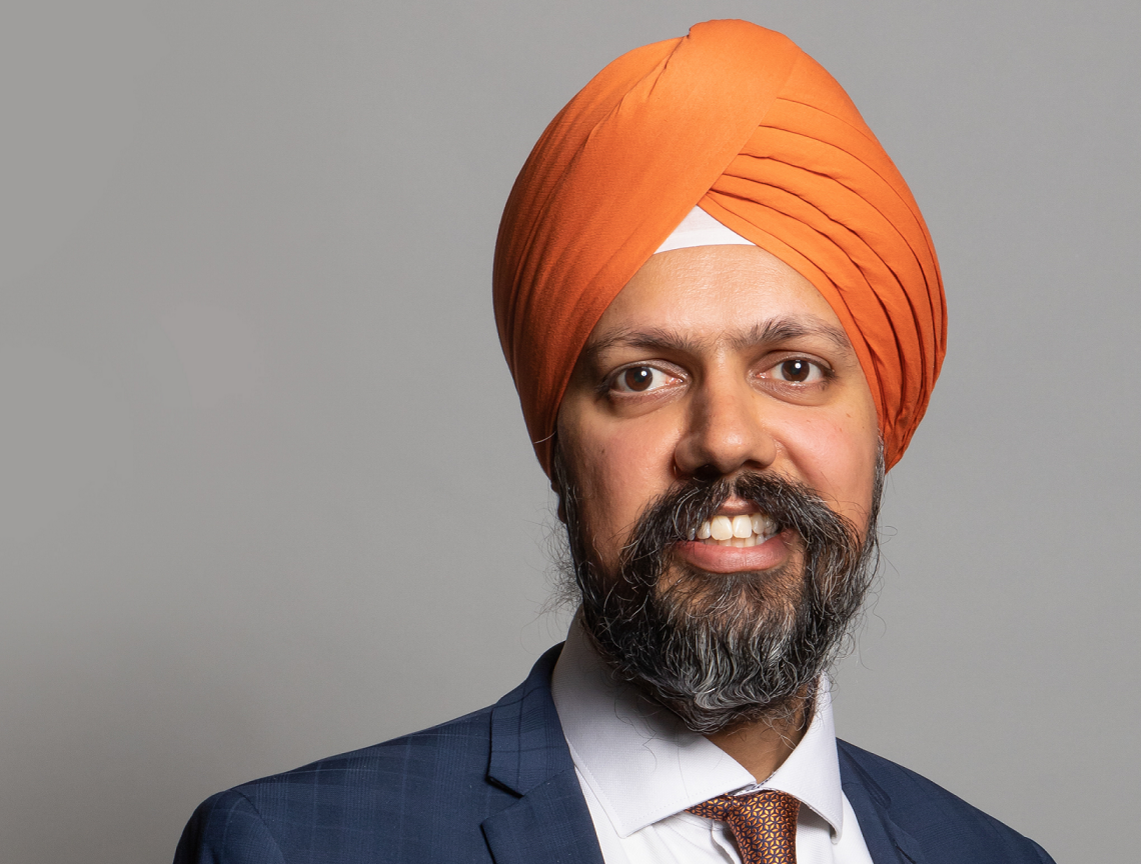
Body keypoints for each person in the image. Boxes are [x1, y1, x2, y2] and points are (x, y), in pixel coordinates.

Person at [175, 19, 1054, 864]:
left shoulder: (997, 858)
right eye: (642, 376)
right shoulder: (296, 849)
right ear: (557, 445)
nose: (726, 440)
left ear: (880, 425)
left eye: (793, 369)